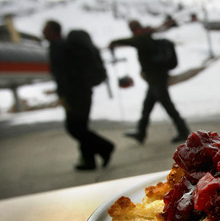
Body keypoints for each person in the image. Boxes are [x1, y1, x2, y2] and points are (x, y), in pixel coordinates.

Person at [43, 20, 114, 171]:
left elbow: (61, 75)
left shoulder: (58, 47)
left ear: (53, 31)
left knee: (74, 128)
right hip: (83, 91)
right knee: (80, 126)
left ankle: (105, 147)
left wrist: (63, 96)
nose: (42, 32)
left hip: (74, 94)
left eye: (45, 29)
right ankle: (88, 161)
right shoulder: (68, 47)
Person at [109, 20, 190, 144]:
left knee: (167, 106)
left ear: (138, 28)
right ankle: (141, 132)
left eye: (134, 29)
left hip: (157, 79)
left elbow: (132, 41)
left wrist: (115, 42)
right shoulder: (145, 38)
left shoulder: (143, 40)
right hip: (154, 80)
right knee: (147, 107)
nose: (133, 32)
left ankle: (183, 131)